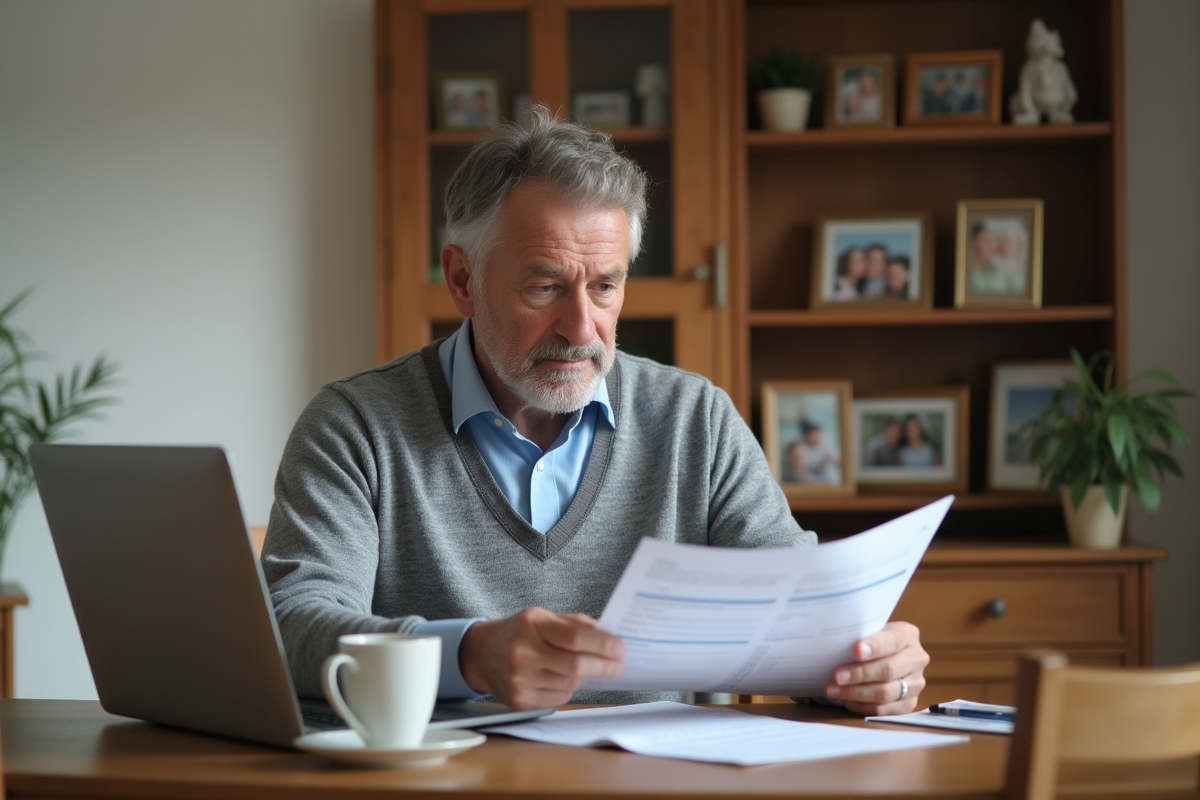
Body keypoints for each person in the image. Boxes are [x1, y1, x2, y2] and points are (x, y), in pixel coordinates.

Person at [262, 105, 928, 717]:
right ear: (462, 280)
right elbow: (291, 625)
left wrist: (866, 666)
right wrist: (467, 655)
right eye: (545, 286)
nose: (581, 326)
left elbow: (800, 619)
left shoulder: (695, 420)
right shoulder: (356, 427)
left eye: (605, 286)